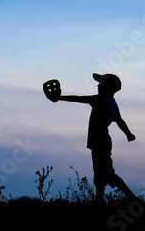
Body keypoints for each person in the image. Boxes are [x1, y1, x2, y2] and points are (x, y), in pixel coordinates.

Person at [46, 73, 137, 203]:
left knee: (108, 175)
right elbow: (120, 121)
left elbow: (80, 99)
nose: (98, 85)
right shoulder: (113, 103)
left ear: (110, 87)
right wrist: (129, 134)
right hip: (103, 141)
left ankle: (132, 200)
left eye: (102, 84)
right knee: (100, 174)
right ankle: (99, 200)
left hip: (99, 142)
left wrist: (59, 98)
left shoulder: (101, 99)